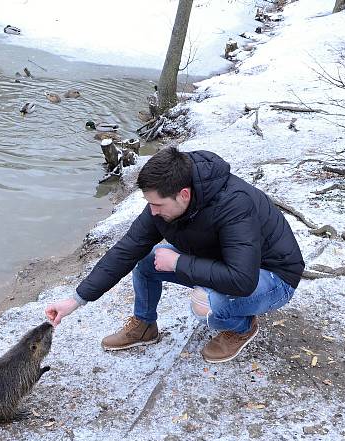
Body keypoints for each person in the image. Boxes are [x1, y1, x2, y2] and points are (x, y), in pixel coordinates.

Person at [45, 147, 304, 363]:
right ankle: (145, 325)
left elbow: (242, 280)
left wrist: (179, 262)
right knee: (147, 260)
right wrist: (76, 300)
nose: (152, 211)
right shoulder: (166, 201)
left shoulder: (234, 205)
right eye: (149, 203)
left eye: (157, 204)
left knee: (207, 303)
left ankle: (242, 329)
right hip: (223, 263)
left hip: (272, 276)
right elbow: (126, 249)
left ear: (184, 195)